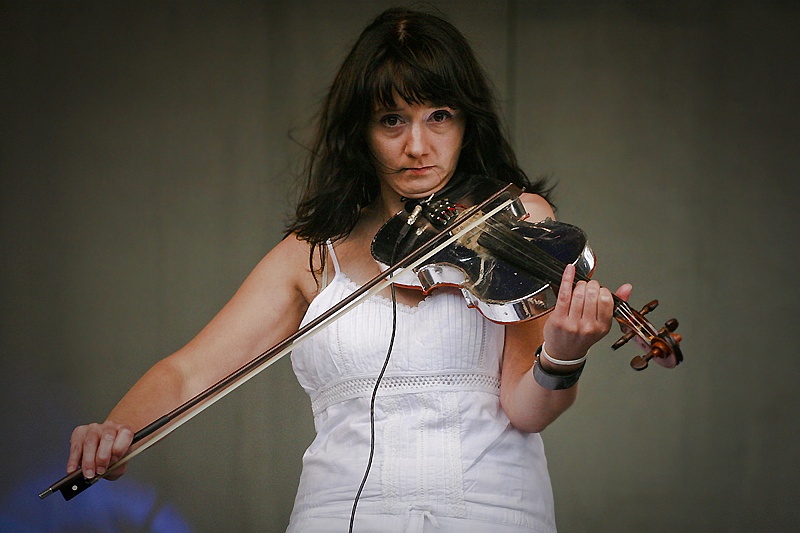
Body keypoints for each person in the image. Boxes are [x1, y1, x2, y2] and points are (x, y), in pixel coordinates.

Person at [66, 8, 670, 532]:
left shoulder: (515, 220)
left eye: (439, 116)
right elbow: (187, 371)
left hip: (488, 511)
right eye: (392, 120)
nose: (417, 146)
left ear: (467, 124)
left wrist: (562, 357)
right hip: (336, 515)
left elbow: (526, 409)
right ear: (362, 132)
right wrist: (118, 432)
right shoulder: (311, 253)